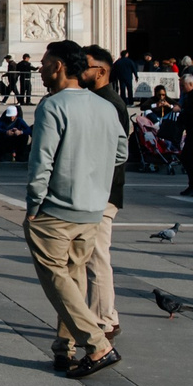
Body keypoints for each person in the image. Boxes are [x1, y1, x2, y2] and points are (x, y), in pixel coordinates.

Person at [25, 42, 128, 376]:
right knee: (74, 276)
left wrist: (33, 203)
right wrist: (92, 173)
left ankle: (97, 346)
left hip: (56, 209)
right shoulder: (105, 106)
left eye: (43, 64)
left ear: (57, 66)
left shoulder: (52, 106)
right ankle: (64, 348)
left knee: (56, 278)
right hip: (92, 210)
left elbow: (41, 161)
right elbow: (122, 152)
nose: (39, 70)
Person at [77, 46, 130, 341]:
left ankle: (103, 320)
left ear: (101, 71)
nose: (79, 71)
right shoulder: (99, 100)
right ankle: (104, 315)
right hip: (99, 190)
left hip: (103, 192)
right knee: (92, 257)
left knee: (97, 258)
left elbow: (118, 152)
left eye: (84, 66)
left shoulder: (110, 104)